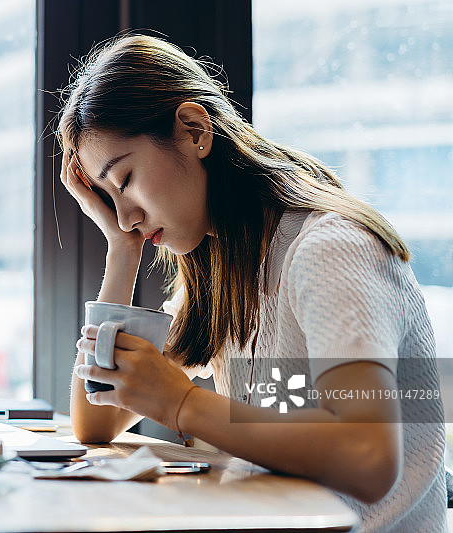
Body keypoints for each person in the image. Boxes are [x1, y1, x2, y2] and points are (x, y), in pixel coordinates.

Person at [57, 34, 446, 532]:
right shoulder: (222, 268)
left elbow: (367, 456)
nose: (126, 216)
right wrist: (122, 249)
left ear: (195, 130)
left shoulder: (328, 249)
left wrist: (182, 404)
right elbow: (96, 419)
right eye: (109, 197)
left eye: (126, 179)